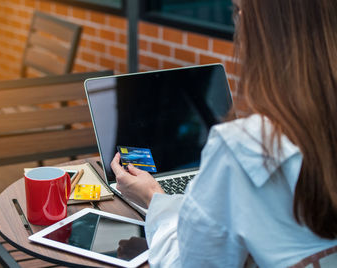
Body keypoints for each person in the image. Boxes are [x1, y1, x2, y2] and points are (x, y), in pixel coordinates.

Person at [110, 0, 337, 267]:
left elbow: (190, 262)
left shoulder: (244, 147)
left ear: (258, 30)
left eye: (237, 11)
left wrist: (154, 197)